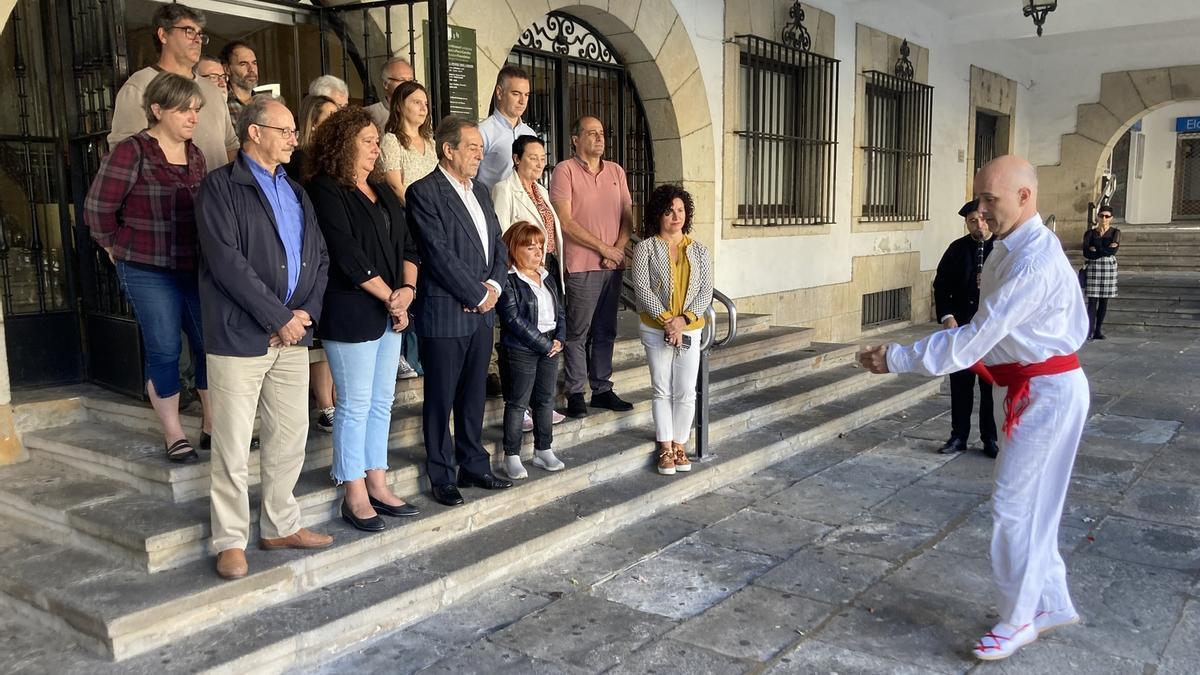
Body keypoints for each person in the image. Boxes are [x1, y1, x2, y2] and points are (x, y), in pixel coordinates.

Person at [858, 155, 1089, 661]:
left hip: (1046, 393)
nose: (980, 210)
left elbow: (975, 339)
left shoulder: (1034, 262)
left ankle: (1019, 617)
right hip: (1031, 388)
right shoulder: (1012, 247)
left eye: (991, 200)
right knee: (1034, 506)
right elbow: (983, 331)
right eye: (978, 198)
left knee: (1016, 507)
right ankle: (1048, 602)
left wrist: (897, 356)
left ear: (1025, 197)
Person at [196, 96, 332, 580]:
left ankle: (280, 523)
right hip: (240, 335)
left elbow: (319, 257)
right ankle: (230, 539)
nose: (295, 139)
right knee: (233, 444)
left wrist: (304, 313)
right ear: (255, 132)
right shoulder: (220, 188)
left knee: (290, 435)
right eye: (287, 130)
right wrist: (279, 317)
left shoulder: (296, 191)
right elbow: (227, 263)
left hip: (293, 336)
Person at [84, 72, 212, 464]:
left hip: (193, 266)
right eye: (184, 109)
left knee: (210, 343)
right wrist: (113, 246)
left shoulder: (195, 155)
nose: (193, 117)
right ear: (157, 109)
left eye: (196, 109)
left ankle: (212, 427)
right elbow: (98, 208)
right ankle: (174, 433)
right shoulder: (132, 151)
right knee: (165, 347)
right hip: (146, 266)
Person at [304, 107, 421, 532]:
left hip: (392, 310)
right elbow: (345, 252)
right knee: (352, 405)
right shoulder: (325, 189)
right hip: (352, 309)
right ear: (344, 143)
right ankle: (352, 490)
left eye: (376, 141)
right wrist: (391, 295)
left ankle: (378, 479)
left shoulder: (382, 191)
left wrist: (406, 293)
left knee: (382, 401)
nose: (376, 148)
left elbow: (409, 245)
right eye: (369, 141)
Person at [405, 115, 512, 507]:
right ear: (448, 150)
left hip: (482, 312)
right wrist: (475, 292)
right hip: (446, 311)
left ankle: (474, 464)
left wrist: (496, 287)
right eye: (472, 147)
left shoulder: (481, 191)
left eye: (481, 148)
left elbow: (498, 246)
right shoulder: (424, 192)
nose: (479, 155)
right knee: (441, 398)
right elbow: (437, 254)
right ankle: (441, 473)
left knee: (472, 395)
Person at [550, 115, 635, 418]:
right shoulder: (565, 171)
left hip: (612, 266)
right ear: (576, 139)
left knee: (606, 330)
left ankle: (602, 389)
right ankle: (575, 392)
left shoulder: (616, 171)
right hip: (582, 265)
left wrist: (618, 249)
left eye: (601, 133)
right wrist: (605, 249)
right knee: (578, 332)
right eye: (591, 133)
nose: (599, 138)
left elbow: (627, 215)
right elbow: (565, 221)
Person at [632, 185, 713, 476]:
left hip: (690, 328)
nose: (675, 216)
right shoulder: (645, 248)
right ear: (658, 215)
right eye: (669, 211)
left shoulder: (700, 251)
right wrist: (668, 320)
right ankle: (665, 447)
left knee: (686, 390)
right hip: (656, 328)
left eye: (680, 210)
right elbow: (642, 289)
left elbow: (706, 291)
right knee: (662, 388)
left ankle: (681, 445)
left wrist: (683, 321)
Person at [491, 134, 567, 430]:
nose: (539, 163)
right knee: (521, 337)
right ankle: (520, 407)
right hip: (518, 274)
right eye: (532, 157)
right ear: (516, 159)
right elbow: (501, 238)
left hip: (542, 269)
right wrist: (512, 273)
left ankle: (539, 406)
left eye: (542, 158)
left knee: (545, 327)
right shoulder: (504, 189)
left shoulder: (541, 191)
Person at [109, 3, 237, 172]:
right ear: (163, 35)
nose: (198, 40)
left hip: (217, 196)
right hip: (166, 198)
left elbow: (230, 146)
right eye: (189, 31)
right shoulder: (139, 87)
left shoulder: (212, 90)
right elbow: (124, 158)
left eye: (199, 34)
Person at [496, 221, 567, 479]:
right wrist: (544, 344)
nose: (538, 252)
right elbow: (513, 319)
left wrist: (559, 338)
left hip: (550, 345)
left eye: (540, 246)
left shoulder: (547, 276)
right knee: (517, 403)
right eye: (530, 247)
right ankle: (512, 455)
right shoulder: (508, 280)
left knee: (546, 400)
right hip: (521, 348)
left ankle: (543, 450)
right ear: (514, 249)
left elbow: (560, 310)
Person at [287, 93, 340, 432]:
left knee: (332, 332)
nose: (333, 125)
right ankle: (325, 404)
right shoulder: (297, 161)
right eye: (327, 118)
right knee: (318, 334)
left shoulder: (334, 161)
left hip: (335, 253)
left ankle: (333, 398)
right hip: (311, 253)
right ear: (311, 123)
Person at [932, 199, 998, 458]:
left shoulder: (1003, 249)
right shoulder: (957, 249)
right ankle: (958, 436)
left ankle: (990, 438)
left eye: (982, 219)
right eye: (972, 221)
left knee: (990, 387)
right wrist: (947, 316)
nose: (978, 226)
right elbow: (941, 286)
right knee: (960, 385)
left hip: (990, 331)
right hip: (961, 329)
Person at [378, 80, 437, 206]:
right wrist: (421, 212)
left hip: (435, 212)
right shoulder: (391, 141)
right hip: (409, 213)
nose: (424, 108)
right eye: (417, 102)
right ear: (399, 106)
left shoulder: (431, 143)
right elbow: (396, 187)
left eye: (425, 104)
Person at [476, 65, 534, 192]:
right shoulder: (482, 132)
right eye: (516, 94)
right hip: (492, 208)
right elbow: (469, 179)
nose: (522, 101)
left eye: (526, 95)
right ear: (499, 92)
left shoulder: (531, 134)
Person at [1083, 204, 1120, 340]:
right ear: (1097, 217)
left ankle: (1098, 330)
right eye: (1101, 216)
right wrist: (1104, 249)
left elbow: (1113, 251)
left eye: (1107, 216)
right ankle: (1089, 330)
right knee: (1092, 300)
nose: (1103, 218)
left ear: (1111, 218)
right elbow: (1087, 253)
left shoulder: (1115, 232)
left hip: (1109, 268)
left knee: (1104, 301)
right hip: (1093, 267)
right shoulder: (1090, 233)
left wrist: (1097, 248)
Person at [365, 57, 414, 131]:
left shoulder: (419, 111)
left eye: (410, 81)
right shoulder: (370, 114)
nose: (407, 85)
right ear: (386, 84)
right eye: (401, 80)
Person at [219, 40, 258, 122]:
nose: (252, 69)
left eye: (254, 63)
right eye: (243, 64)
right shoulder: (221, 103)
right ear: (227, 69)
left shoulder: (262, 103)